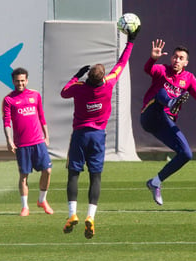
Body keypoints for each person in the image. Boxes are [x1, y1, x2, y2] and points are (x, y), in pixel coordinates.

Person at [60, 26, 140, 239]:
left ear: (88, 77)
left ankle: (71, 214)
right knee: (96, 177)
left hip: (79, 135)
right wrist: (131, 40)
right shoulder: (108, 84)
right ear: (102, 77)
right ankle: (91, 216)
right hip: (98, 136)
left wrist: (76, 75)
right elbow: (122, 64)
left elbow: (63, 92)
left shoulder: (78, 87)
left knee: (73, 174)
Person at [141, 39, 196, 206]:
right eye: (175, 57)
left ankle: (155, 182)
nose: (176, 60)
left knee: (186, 154)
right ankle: (171, 102)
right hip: (149, 114)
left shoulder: (189, 78)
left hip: (164, 122)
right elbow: (148, 69)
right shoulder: (162, 70)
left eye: (180, 58)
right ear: (171, 59)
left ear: (186, 62)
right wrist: (153, 58)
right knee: (162, 92)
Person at [2, 67, 53, 217]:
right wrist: (9, 140)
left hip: (38, 141)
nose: (20, 83)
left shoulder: (35, 95)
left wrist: (47, 135)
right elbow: (6, 122)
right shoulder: (8, 100)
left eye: (23, 81)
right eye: (17, 81)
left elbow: (41, 116)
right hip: (22, 145)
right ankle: (25, 207)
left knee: (48, 171)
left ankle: (42, 200)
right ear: (13, 81)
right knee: (24, 175)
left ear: (27, 80)